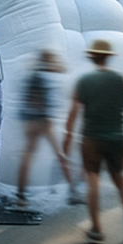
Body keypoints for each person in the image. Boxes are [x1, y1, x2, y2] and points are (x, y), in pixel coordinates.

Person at [62, 39, 123, 244]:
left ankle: (97, 230)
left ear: (92, 57)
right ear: (108, 57)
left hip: (91, 139)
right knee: (121, 182)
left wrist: (67, 138)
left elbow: (73, 114)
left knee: (93, 182)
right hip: (117, 138)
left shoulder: (84, 81)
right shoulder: (120, 80)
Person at [16, 51, 80, 204]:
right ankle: (73, 191)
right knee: (60, 155)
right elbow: (63, 69)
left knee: (28, 156)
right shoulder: (44, 77)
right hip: (43, 122)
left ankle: (21, 195)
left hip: (29, 122)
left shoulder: (33, 75)